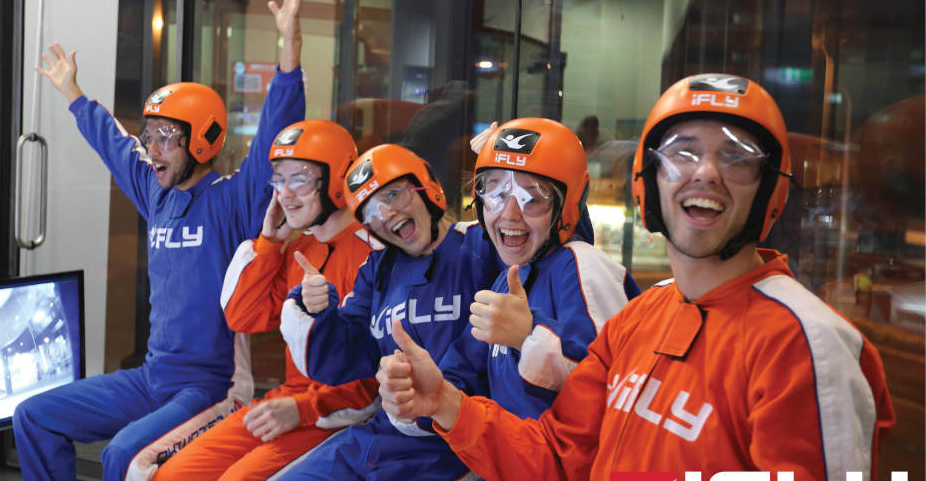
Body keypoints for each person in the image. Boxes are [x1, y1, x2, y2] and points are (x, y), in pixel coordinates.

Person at [376, 74, 895, 480]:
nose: (705, 171)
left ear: (769, 191)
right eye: (681, 153)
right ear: (648, 183)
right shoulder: (643, 316)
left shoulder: (807, 344)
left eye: (736, 156)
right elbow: (559, 460)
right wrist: (445, 403)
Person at [11, 0, 307, 479]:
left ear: (203, 141)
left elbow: (276, 131)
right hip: (154, 378)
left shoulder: (234, 201)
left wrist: (289, 51)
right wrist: (74, 94)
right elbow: (114, 145)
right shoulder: (157, 194)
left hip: (213, 387)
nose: (153, 149)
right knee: (34, 417)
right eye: (151, 136)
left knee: (121, 456)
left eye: (167, 138)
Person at [154, 120, 382, 480]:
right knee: (173, 475)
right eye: (279, 179)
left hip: (340, 416)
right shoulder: (297, 248)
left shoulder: (375, 255)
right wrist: (269, 243)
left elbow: (378, 378)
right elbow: (244, 317)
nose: (285, 194)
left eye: (300, 179)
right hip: (287, 401)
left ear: (337, 179)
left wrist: (304, 409)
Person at [273, 143, 501, 480]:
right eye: (371, 212)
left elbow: (551, 248)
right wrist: (317, 310)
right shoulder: (377, 270)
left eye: (394, 195)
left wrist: (501, 169)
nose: (386, 214)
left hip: (455, 445)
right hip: (380, 438)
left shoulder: (481, 245)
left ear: (427, 188)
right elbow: (345, 358)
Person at [437, 117, 639, 421]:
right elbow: (464, 367)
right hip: (515, 461)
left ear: (567, 205)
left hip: (571, 467)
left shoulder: (583, 266)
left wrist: (528, 337)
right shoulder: (507, 280)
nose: (509, 214)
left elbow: (614, 390)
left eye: (532, 198)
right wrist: (427, 394)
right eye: (496, 194)